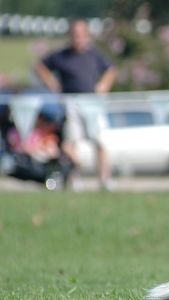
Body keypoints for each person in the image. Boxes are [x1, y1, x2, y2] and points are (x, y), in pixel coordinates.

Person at [34, 18, 117, 190]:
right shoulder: (61, 55)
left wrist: (103, 85)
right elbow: (39, 67)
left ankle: (104, 179)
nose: (78, 38)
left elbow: (111, 69)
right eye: (74, 34)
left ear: (86, 35)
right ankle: (74, 178)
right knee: (71, 142)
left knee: (100, 141)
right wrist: (50, 82)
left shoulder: (94, 54)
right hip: (70, 102)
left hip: (92, 102)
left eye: (81, 34)